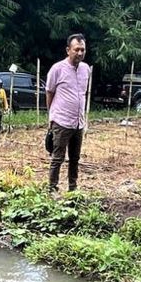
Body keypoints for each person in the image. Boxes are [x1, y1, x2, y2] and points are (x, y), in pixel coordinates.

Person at [45, 34, 90, 193]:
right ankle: (52, 189)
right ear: (68, 50)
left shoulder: (86, 69)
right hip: (62, 121)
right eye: (76, 49)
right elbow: (49, 92)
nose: (80, 53)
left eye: (82, 50)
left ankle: (73, 189)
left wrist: (84, 120)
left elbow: (83, 94)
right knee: (57, 158)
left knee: (75, 158)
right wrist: (52, 116)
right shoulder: (57, 69)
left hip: (78, 122)